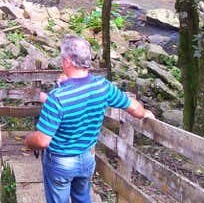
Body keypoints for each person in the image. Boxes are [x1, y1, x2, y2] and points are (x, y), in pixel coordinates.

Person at [24, 35, 154, 203]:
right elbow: (134, 108)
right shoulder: (103, 86)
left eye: (62, 58)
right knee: (82, 198)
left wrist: (28, 141)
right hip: (86, 158)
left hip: (61, 161)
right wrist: (145, 113)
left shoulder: (57, 97)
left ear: (68, 62)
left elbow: (42, 141)